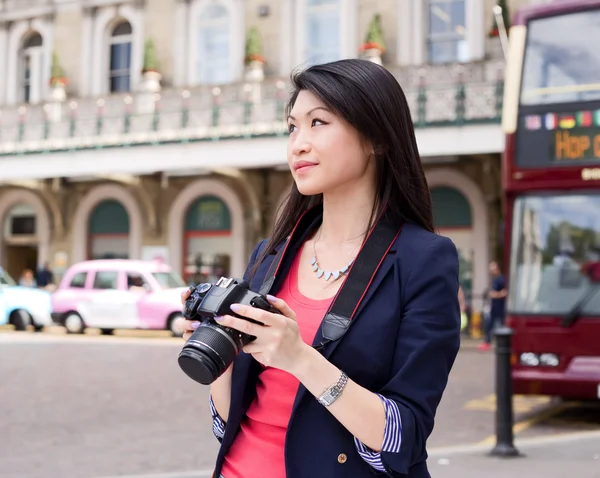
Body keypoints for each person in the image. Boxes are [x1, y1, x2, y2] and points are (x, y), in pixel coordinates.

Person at [179, 59, 460, 478]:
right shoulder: (271, 254)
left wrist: (299, 358)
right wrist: (217, 352)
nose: (298, 144)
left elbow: (403, 439)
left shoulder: (424, 261)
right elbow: (230, 425)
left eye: (318, 123)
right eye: (292, 127)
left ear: (377, 138)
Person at [479, 260, 507, 351]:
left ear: (498, 269)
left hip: (501, 307)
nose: (491, 270)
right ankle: (487, 342)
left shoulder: (502, 280)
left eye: (493, 268)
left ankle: (502, 343)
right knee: (489, 324)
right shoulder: (494, 280)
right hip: (494, 307)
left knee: (501, 324)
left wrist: (495, 294)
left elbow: (505, 292)